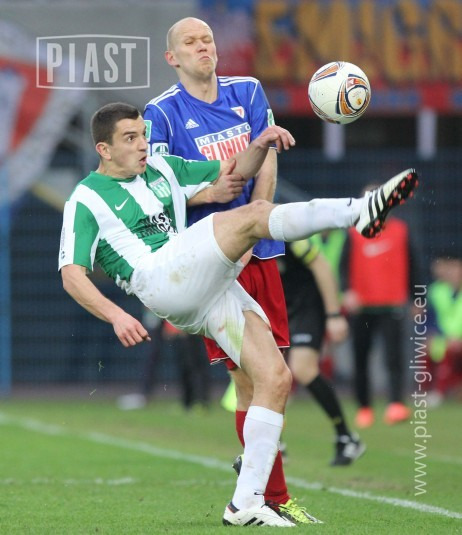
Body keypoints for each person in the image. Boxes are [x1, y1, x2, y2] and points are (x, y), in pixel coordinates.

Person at [59, 101, 418, 526]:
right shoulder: (85, 198)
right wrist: (116, 315)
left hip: (200, 288)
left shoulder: (162, 168)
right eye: (130, 138)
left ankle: (245, 503)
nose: (142, 145)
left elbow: (233, 172)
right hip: (157, 277)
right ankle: (358, 212)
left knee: (276, 378)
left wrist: (260, 144)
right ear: (103, 149)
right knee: (253, 215)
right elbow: (72, 274)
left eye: (143, 135)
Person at [144, 16, 300, 522]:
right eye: (190, 42)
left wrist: (257, 220)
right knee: (252, 377)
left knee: (274, 375)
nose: (202, 47)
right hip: (213, 260)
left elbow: (267, 158)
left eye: (207, 39)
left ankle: (264, 490)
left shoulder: (247, 90)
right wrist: (209, 194)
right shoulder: (162, 112)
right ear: (172, 58)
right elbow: (158, 187)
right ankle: (271, 499)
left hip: (261, 250)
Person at [279, 236, 365, 466]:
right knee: (265, 374)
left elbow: (322, 267)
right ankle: (273, 444)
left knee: (303, 369)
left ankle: (346, 436)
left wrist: (334, 315)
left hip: (307, 306)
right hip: (276, 307)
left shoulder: (286, 234)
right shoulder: (243, 234)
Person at [341, 186, 418, 428]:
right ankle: (364, 407)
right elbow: (343, 268)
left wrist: (417, 299)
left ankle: (396, 403)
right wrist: (347, 291)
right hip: (362, 307)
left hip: (392, 304)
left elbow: (414, 266)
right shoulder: (354, 233)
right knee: (360, 358)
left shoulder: (401, 231)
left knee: (394, 357)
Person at [424, 252, 462, 405]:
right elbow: (431, 318)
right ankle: (427, 391)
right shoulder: (437, 291)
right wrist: (432, 334)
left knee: (449, 351)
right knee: (427, 349)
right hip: (444, 338)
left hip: (458, 339)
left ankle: (440, 392)